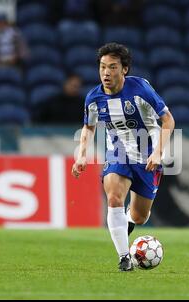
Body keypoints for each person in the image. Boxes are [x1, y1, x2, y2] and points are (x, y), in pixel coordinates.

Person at [71, 43, 175, 271]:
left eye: (112, 67)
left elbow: (168, 120)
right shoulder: (94, 97)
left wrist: (158, 153)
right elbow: (88, 127)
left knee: (140, 216)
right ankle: (123, 258)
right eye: (102, 67)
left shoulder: (141, 89)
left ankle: (128, 221)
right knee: (114, 198)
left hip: (148, 156)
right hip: (117, 153)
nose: (106, 73)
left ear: (124, 69)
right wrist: (81, 156)